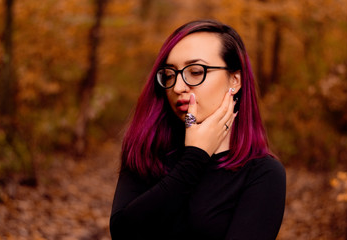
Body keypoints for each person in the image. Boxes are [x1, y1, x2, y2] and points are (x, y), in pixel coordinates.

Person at [110, 19, 286, 240]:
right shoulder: (147, 151)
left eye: (195, 71)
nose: (177, 87)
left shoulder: (262, 173)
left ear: (235, 80)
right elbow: (123, 233)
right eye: (170, 74)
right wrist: (194, 158)